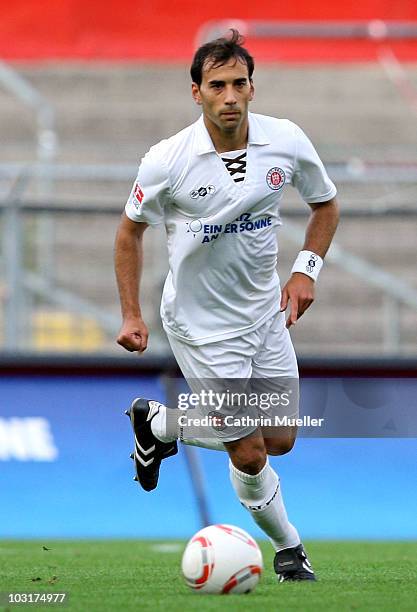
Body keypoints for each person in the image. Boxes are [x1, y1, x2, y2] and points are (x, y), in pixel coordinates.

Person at [114, 30, 339, 582]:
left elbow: (326, 204)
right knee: (249, 451)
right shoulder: (167, 161)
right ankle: (290, 550)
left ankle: (161, 424)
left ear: (253, 87)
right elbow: (128, 235)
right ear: (197, 93)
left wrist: (305, 270)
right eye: (217, 85)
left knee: (280, 438)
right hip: (201, 327)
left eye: (239, 83)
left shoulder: (284, 141)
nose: (230, 96)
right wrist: (131, 314)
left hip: (265, 315)